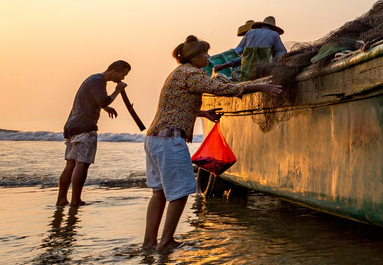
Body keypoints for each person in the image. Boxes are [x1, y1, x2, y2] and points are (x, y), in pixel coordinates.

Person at [143, 35, 281, 251]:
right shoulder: (192, 73)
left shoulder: (178, 73)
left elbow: (175, 106)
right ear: (194, 56)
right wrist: (258, 87)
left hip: (154, 139)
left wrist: (202, 113)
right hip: (170, 140)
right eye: (205, 54)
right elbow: (220, 88)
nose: (209, 58)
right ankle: (166, 242)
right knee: (180, 193)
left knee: (159, 192)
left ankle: (149, 242)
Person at [57, 60, 131, 206]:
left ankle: (62, 199)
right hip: (85, 127)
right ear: (115, 70)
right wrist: (118, 90)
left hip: (72, 126)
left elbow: (94, 100)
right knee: (82, 164)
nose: (122, 79)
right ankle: (75, 200)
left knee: (70, 164)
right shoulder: (99, 81)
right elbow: (103, 101)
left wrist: (105, 108)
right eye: (123, 74)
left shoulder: (93, 79)